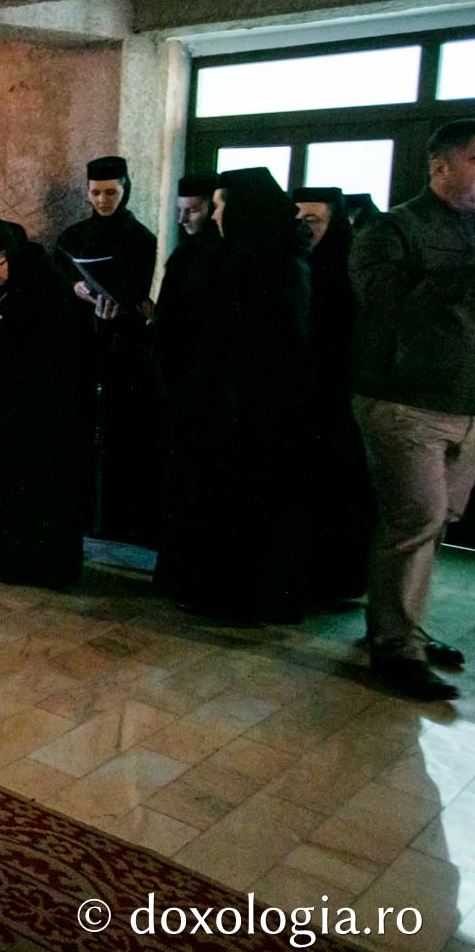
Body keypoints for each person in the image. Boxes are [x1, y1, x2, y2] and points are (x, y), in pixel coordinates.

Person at [352, 119, 475, 701]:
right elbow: (384, 309)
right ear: (440, 166)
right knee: (414, 519)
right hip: (405, 402)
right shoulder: (392, 228)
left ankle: (406, 628)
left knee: (439, 520)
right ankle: (395, 648)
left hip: (467, 406)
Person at [157, 168, 310, 623]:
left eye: (221, 205)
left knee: (240, 504)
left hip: (247, 409)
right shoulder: (233, 255)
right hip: (223, 403)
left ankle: (236, 596)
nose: (215, 214)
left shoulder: (270, 262)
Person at [0, 220, 91, 586]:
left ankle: (31, 564)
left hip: (37, 410)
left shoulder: (49, 283)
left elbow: (58, 347)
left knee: (30, 486)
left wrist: (1, 335)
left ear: (15, 255)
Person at [55, 154, 158, 543]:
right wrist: (74, 287)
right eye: (96, 193)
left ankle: (114, 517)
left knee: (119, 431)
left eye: (111, 192)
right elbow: (57, 277)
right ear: (87, 193)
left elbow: (136, 288)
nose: (103, 200)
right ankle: (80, 510)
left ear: (125, 190)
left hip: (122, 344)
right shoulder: (72, 237)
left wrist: (118, 301)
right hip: (80, 339)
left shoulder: (141, 237)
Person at [292, 185, 374, 603]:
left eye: (314, 220)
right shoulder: (291, 263)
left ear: (333, 222)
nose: (304, 228)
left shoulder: (350, 266)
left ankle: (334, 579)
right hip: (299, 396)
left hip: (337, 397)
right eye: (298, 219)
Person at [151, 174, 221, 559]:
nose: (183, 220)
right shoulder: (185, 254)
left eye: (192, 210)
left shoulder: (221, 255)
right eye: (179, 211)